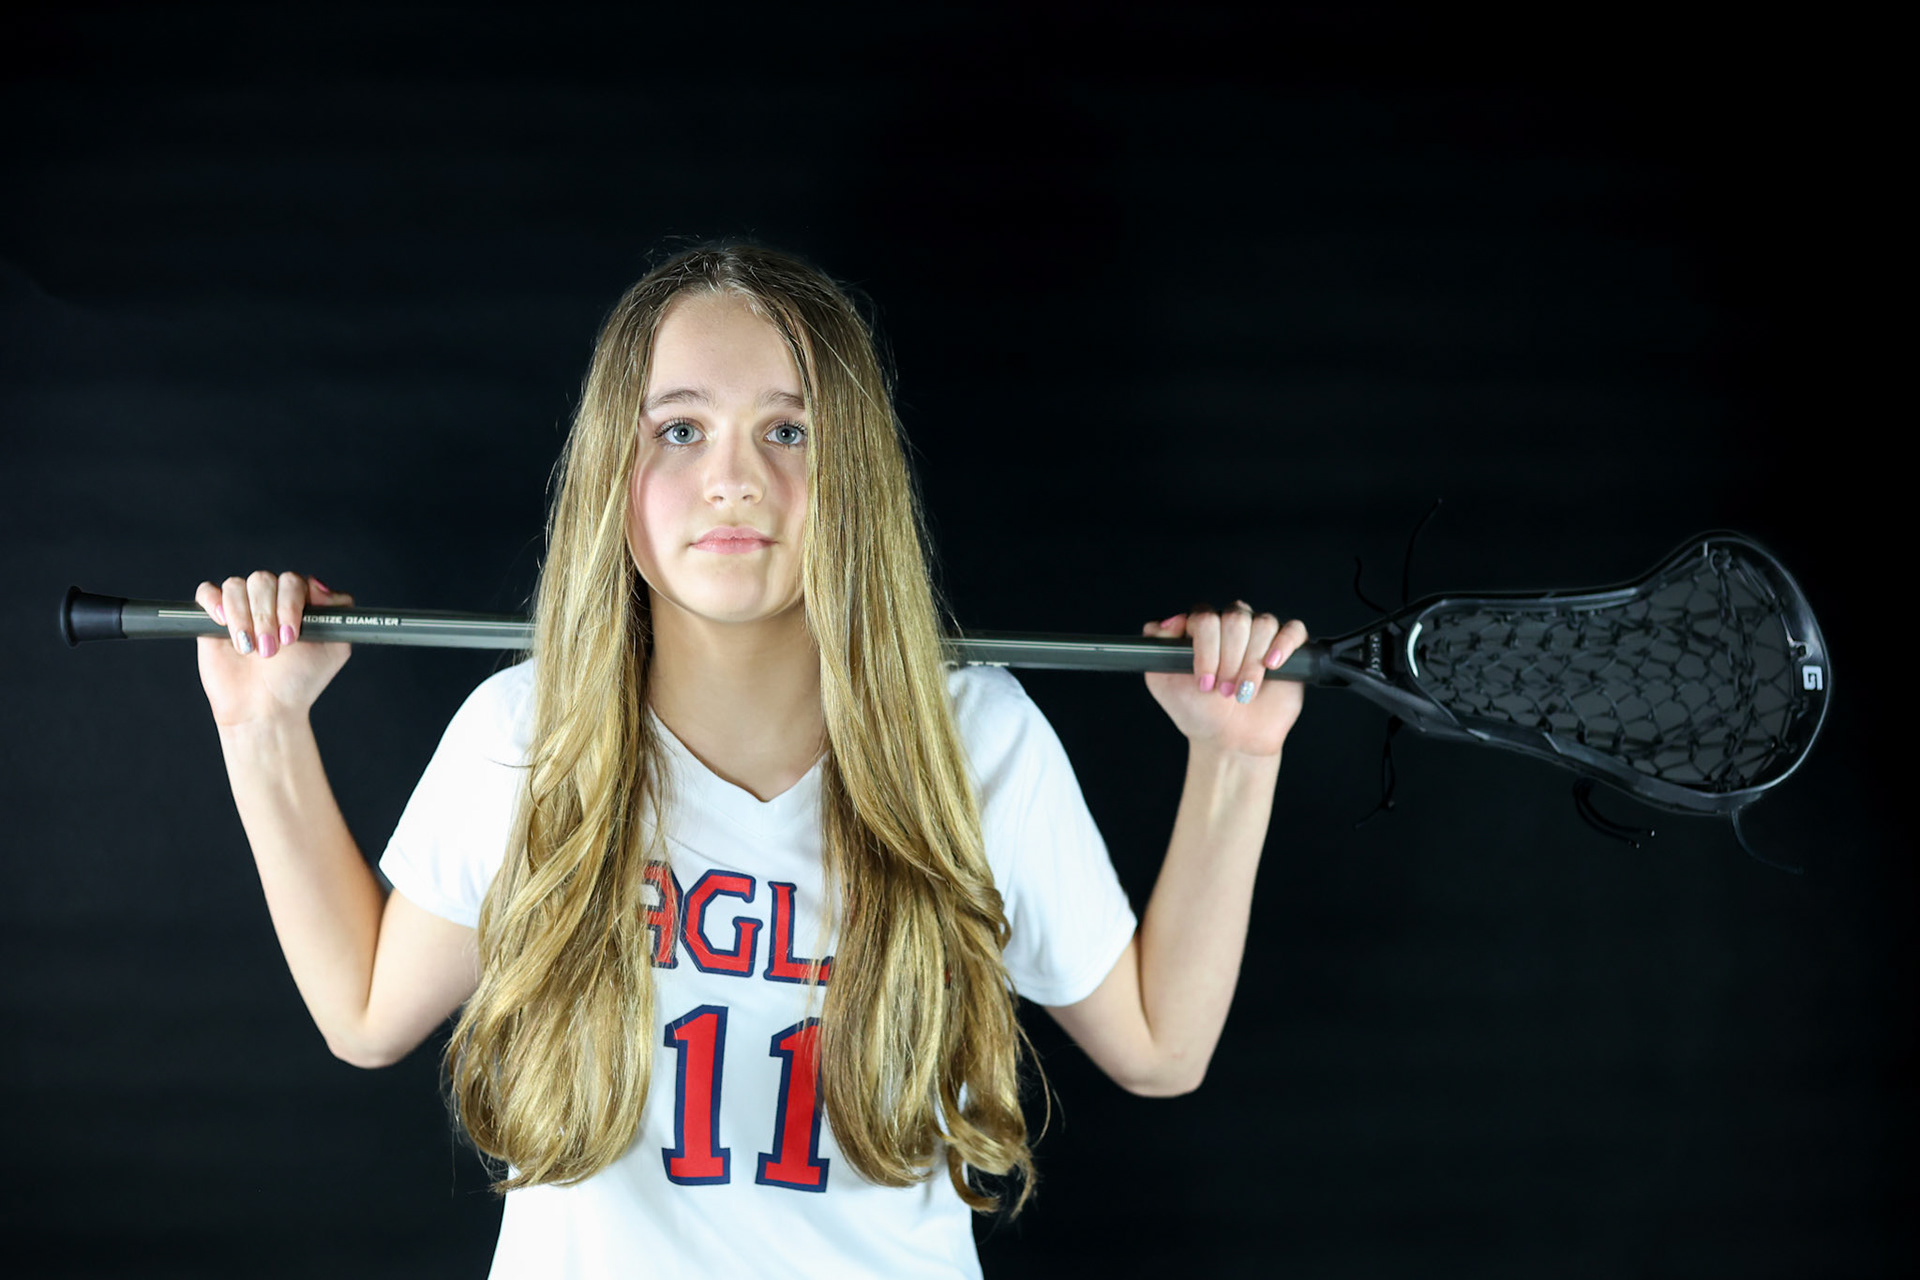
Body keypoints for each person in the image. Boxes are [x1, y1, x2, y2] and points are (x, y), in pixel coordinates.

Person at [193, 241, 1310, 1279]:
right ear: (611, 479)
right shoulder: (529, 731)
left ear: (855, 473)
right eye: (679, 429)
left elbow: (1162, 1047)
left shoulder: (976, 741)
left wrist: (1235, 757)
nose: (733, 478)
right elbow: (366, 1014)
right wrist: (261, 725)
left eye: (789, 430)